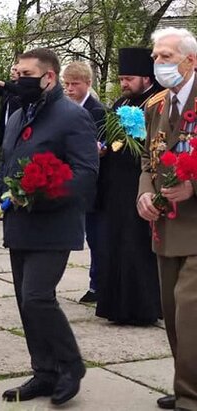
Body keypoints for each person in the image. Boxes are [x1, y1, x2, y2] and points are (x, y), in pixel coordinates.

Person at [0, 48, 98, 405]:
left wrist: (39, 196)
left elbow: (86, 173)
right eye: (15, 73)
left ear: (48, 77)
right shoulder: (18, 114)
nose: (17, 80)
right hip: (19, 225)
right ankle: (44, 372)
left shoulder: (71, 117)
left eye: (25, 74)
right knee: (24, 300)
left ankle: (71, 365)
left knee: (37, 296)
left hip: (54, 223)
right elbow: (6, 165)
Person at [137, 27, 197, 411]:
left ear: (191, 61)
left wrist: (194, 186)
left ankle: (191, 398)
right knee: (174, 315)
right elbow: (147, 159)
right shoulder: (156, 106)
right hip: (166, 225)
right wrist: (144, 192)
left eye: (167, 57)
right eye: (156, 57)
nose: (159, 64)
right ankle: (185, 385)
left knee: (191, 311)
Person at [95, 47, 162, 326]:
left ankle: (143, 309)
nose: (124, 83)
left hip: (140, 183)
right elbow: (111, 139)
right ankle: (115, 307)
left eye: (129, 78)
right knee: (113, 245)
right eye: (121, 78)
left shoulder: (158, 103)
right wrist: (102, 149)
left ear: (146, 78)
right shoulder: (121, 103)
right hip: (115, 186)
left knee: (137, 246)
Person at [62, 61, 106, 304]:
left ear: (88, 84)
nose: (69, 89)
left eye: (74, 84)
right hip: (70, 178)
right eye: (66, 84)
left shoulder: (96, 110)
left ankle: (97, 285)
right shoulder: (65, 108)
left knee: (95, 236)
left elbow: (99, 144)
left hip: (91, 183)